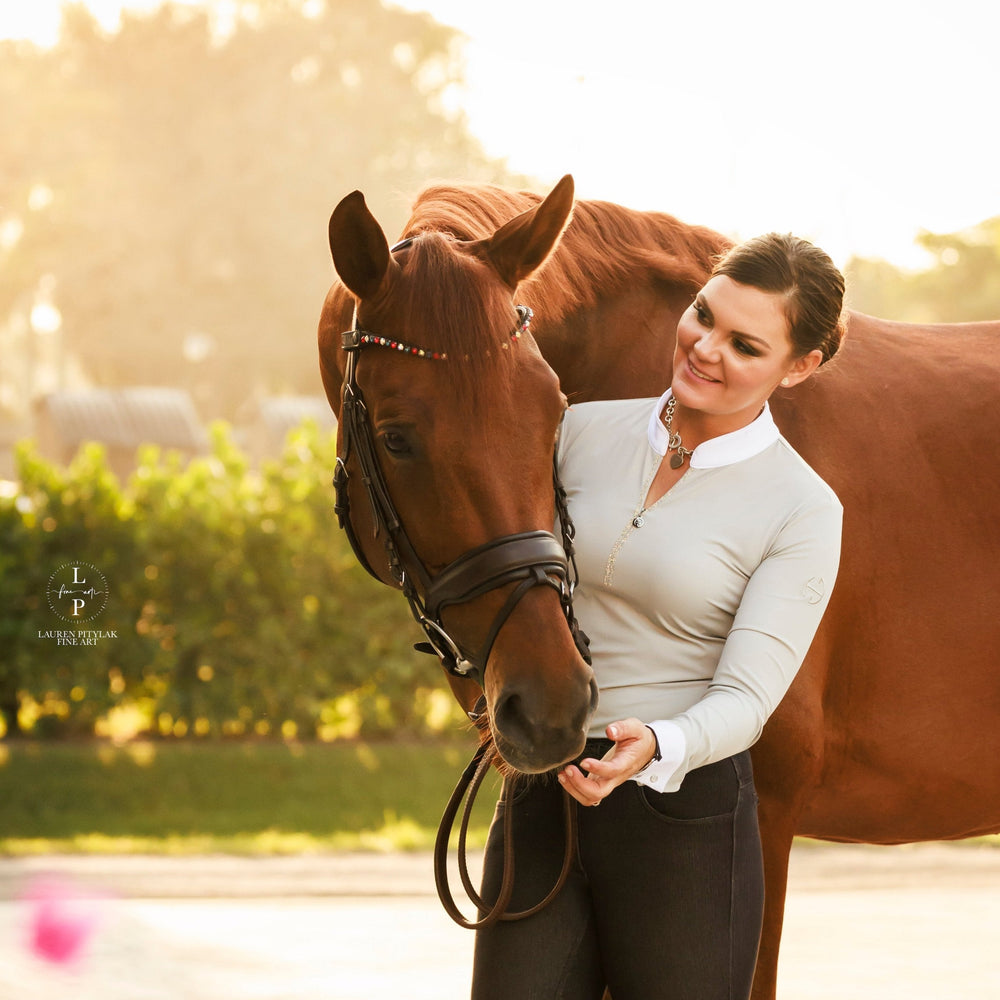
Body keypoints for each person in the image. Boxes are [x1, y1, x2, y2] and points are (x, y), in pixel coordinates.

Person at [471, 233, 846, 1000]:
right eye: (703, 315)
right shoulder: (573, 433)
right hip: (546, 789)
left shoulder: (802, 510)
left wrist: (656, 744)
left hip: (686, 827)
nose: (705, 348)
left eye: (744, 344)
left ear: (799, 366)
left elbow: (748, 699)